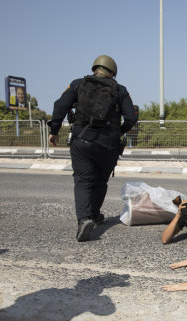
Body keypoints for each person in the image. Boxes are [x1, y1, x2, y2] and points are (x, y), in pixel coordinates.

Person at [48, 55, 137, 242]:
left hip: (82, 141)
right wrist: (118, 132)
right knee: (100, 181)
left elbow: (60, 106)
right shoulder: (120, 90)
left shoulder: (78, 84)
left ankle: (84, 220)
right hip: (109, 144)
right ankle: (95, 214)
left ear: (94, 69)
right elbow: (130, 117)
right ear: (113, 73)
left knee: (83, 180)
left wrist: (54, 130)